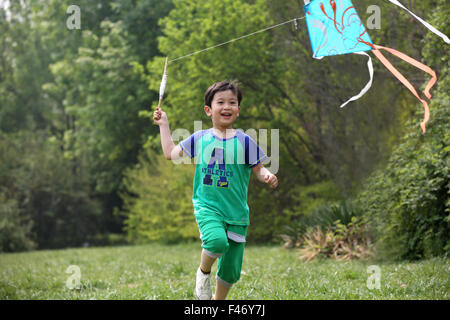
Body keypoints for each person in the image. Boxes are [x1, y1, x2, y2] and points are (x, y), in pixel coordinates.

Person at [153, 80, 278, 300]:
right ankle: (203, 272)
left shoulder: (244, 141)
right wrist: (164, 124)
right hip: (208, 206)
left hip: (237, 213)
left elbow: (258, 170)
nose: (227, 106)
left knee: (231, 270)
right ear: (209, 110)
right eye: (220, 102)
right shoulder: (200, 138)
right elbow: (170, 153)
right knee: (216, 241)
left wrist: (266, 175)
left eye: (232, 102)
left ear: (238, 110)